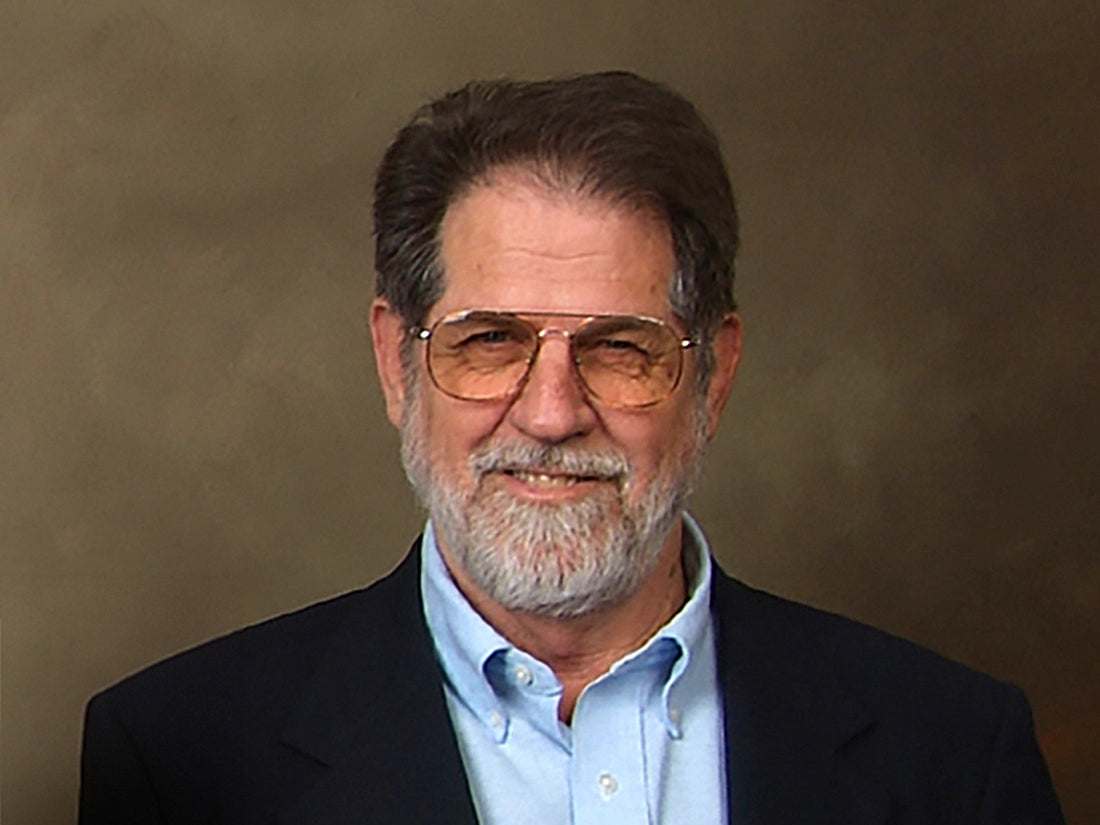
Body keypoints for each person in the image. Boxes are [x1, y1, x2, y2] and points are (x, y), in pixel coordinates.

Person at [79, 71, 1064, 824]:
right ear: (394, 361)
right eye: (491, 341)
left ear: (711, 373)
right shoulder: (180, 760)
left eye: (619, 349)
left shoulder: (953, 755)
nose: (549, 414)